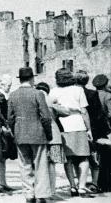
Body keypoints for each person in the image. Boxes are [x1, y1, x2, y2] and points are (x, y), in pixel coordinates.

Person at [7, 67, 53, 203]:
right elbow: (46, 117)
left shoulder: (13, 95)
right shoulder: (38, 93)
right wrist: (48, 134)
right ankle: (41, 195)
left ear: (20, 79)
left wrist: (14, 130)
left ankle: (29, 194)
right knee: (40, 165)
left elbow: (10, 118)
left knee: (24, 164)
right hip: (38, 133)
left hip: (20, 134)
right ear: (32, 78)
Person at [49, 68, 93, 197]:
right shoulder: (78, 90)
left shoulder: (54, 91)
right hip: (78, 124)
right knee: (83, 157)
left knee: (68, 158)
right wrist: (89, 129)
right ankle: (82, 186)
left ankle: (72, 186)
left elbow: (51, 108)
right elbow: (84, 111)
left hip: (63, 125)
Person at [75, 70, 111, 193]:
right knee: (99, 157)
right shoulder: (94, 94)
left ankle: (80, 183)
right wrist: (106, 131)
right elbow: (100, 114)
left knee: (80, 157)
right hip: (95, 130)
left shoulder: (72, 93)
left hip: (76, 128)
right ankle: (99, 183)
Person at [35, 81, 67, 197]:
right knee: (52, 164)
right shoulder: (51, 99)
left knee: (38, 164)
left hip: (39, 136)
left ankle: (41, 190)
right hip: (54, 136)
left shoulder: (36, 99)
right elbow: (66, 111)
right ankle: (52, 191)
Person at [93, 74, 111, 192]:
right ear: (105, 84)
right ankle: (106, 183)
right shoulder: (108, 96)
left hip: (95, 128)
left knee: (98, 156)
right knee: (107, 156)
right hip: (106, 128)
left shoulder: (92, 95)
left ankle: (99, 182)